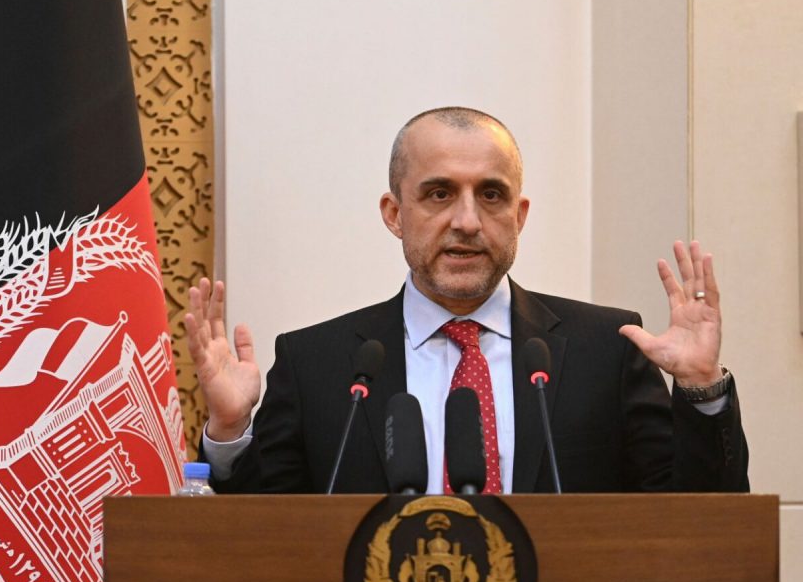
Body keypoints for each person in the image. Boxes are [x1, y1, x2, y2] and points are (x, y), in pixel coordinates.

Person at [184, 107, 748, 494]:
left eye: (492, 195)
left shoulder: (605, 350)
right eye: (439, 193)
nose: (468, 221)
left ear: (519, 216)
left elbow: (694, 522)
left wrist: (701, 387)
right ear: (394, 214)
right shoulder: (318, 363)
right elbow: (261, 543)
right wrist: (230, 430)